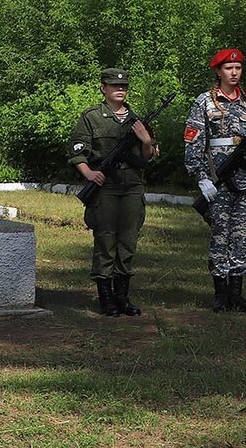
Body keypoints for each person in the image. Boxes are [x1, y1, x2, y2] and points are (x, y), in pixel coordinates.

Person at [67, 68, 157, 317]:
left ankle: (123, 297)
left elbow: (147, 158)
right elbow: (77, 152)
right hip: (105, 188)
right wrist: (88, 174)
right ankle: (106, 298)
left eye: (124, 86)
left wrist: (146, 140)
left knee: (127, 240)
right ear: (103, 89)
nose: (120, 89)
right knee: (106, 240)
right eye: (114, 86)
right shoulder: (92, 117)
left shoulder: (136, 121)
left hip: (131, 188)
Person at [184, 48, 246, 313]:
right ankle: (220, 294)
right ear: (218, 71)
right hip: (217, 179)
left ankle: (236, 294)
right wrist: (200, 177)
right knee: (220, 235)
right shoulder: (205, 102)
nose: (234, 73)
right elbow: (194, 141)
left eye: (238, 68)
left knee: (243, 237)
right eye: (229, 68)